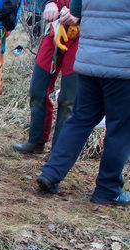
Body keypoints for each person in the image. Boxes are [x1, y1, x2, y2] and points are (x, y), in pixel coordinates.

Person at [37, 0, 130, 206]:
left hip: (89, 62)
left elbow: (76, 11)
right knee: (121, 129)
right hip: (123, 66)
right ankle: (108, 189)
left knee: (80, 120)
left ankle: (51, 173)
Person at [13, 0, 79, 154]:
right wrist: (48, 3)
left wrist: (79, 13)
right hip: (53, 32)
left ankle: (58, 153)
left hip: (81, 37)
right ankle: (36, 141)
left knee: (68, 100)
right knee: (37, 91)